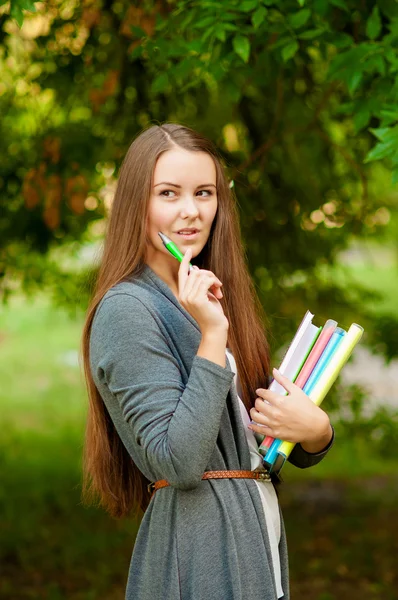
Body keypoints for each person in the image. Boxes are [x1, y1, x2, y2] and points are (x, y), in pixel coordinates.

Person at [81, 122, 334, 600]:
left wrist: (315, 432)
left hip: (257, 534)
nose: (191, 211)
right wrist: (212, 335)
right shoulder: (127, 310)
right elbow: (178, 461)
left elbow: (250, 439)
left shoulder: (211, 291)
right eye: (169, 193)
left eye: (204, 192)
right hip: (196, 549)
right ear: (137, 200)